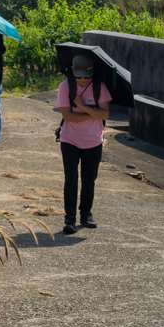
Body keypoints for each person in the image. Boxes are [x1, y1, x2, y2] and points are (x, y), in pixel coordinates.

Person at [55, 53, 112, 235]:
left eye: (86, 77)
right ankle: (69, 219)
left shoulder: (99, 87)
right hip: (69, 140)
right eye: (78, 76)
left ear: (92, 73)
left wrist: (82, 107)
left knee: (89, 180)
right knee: (71, 179)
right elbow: (68, 116)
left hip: (93, 141)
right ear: (72, 73)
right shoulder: (65, 87)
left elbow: (105, 114)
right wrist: (93, 113)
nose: (82, 80)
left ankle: (86, 214)